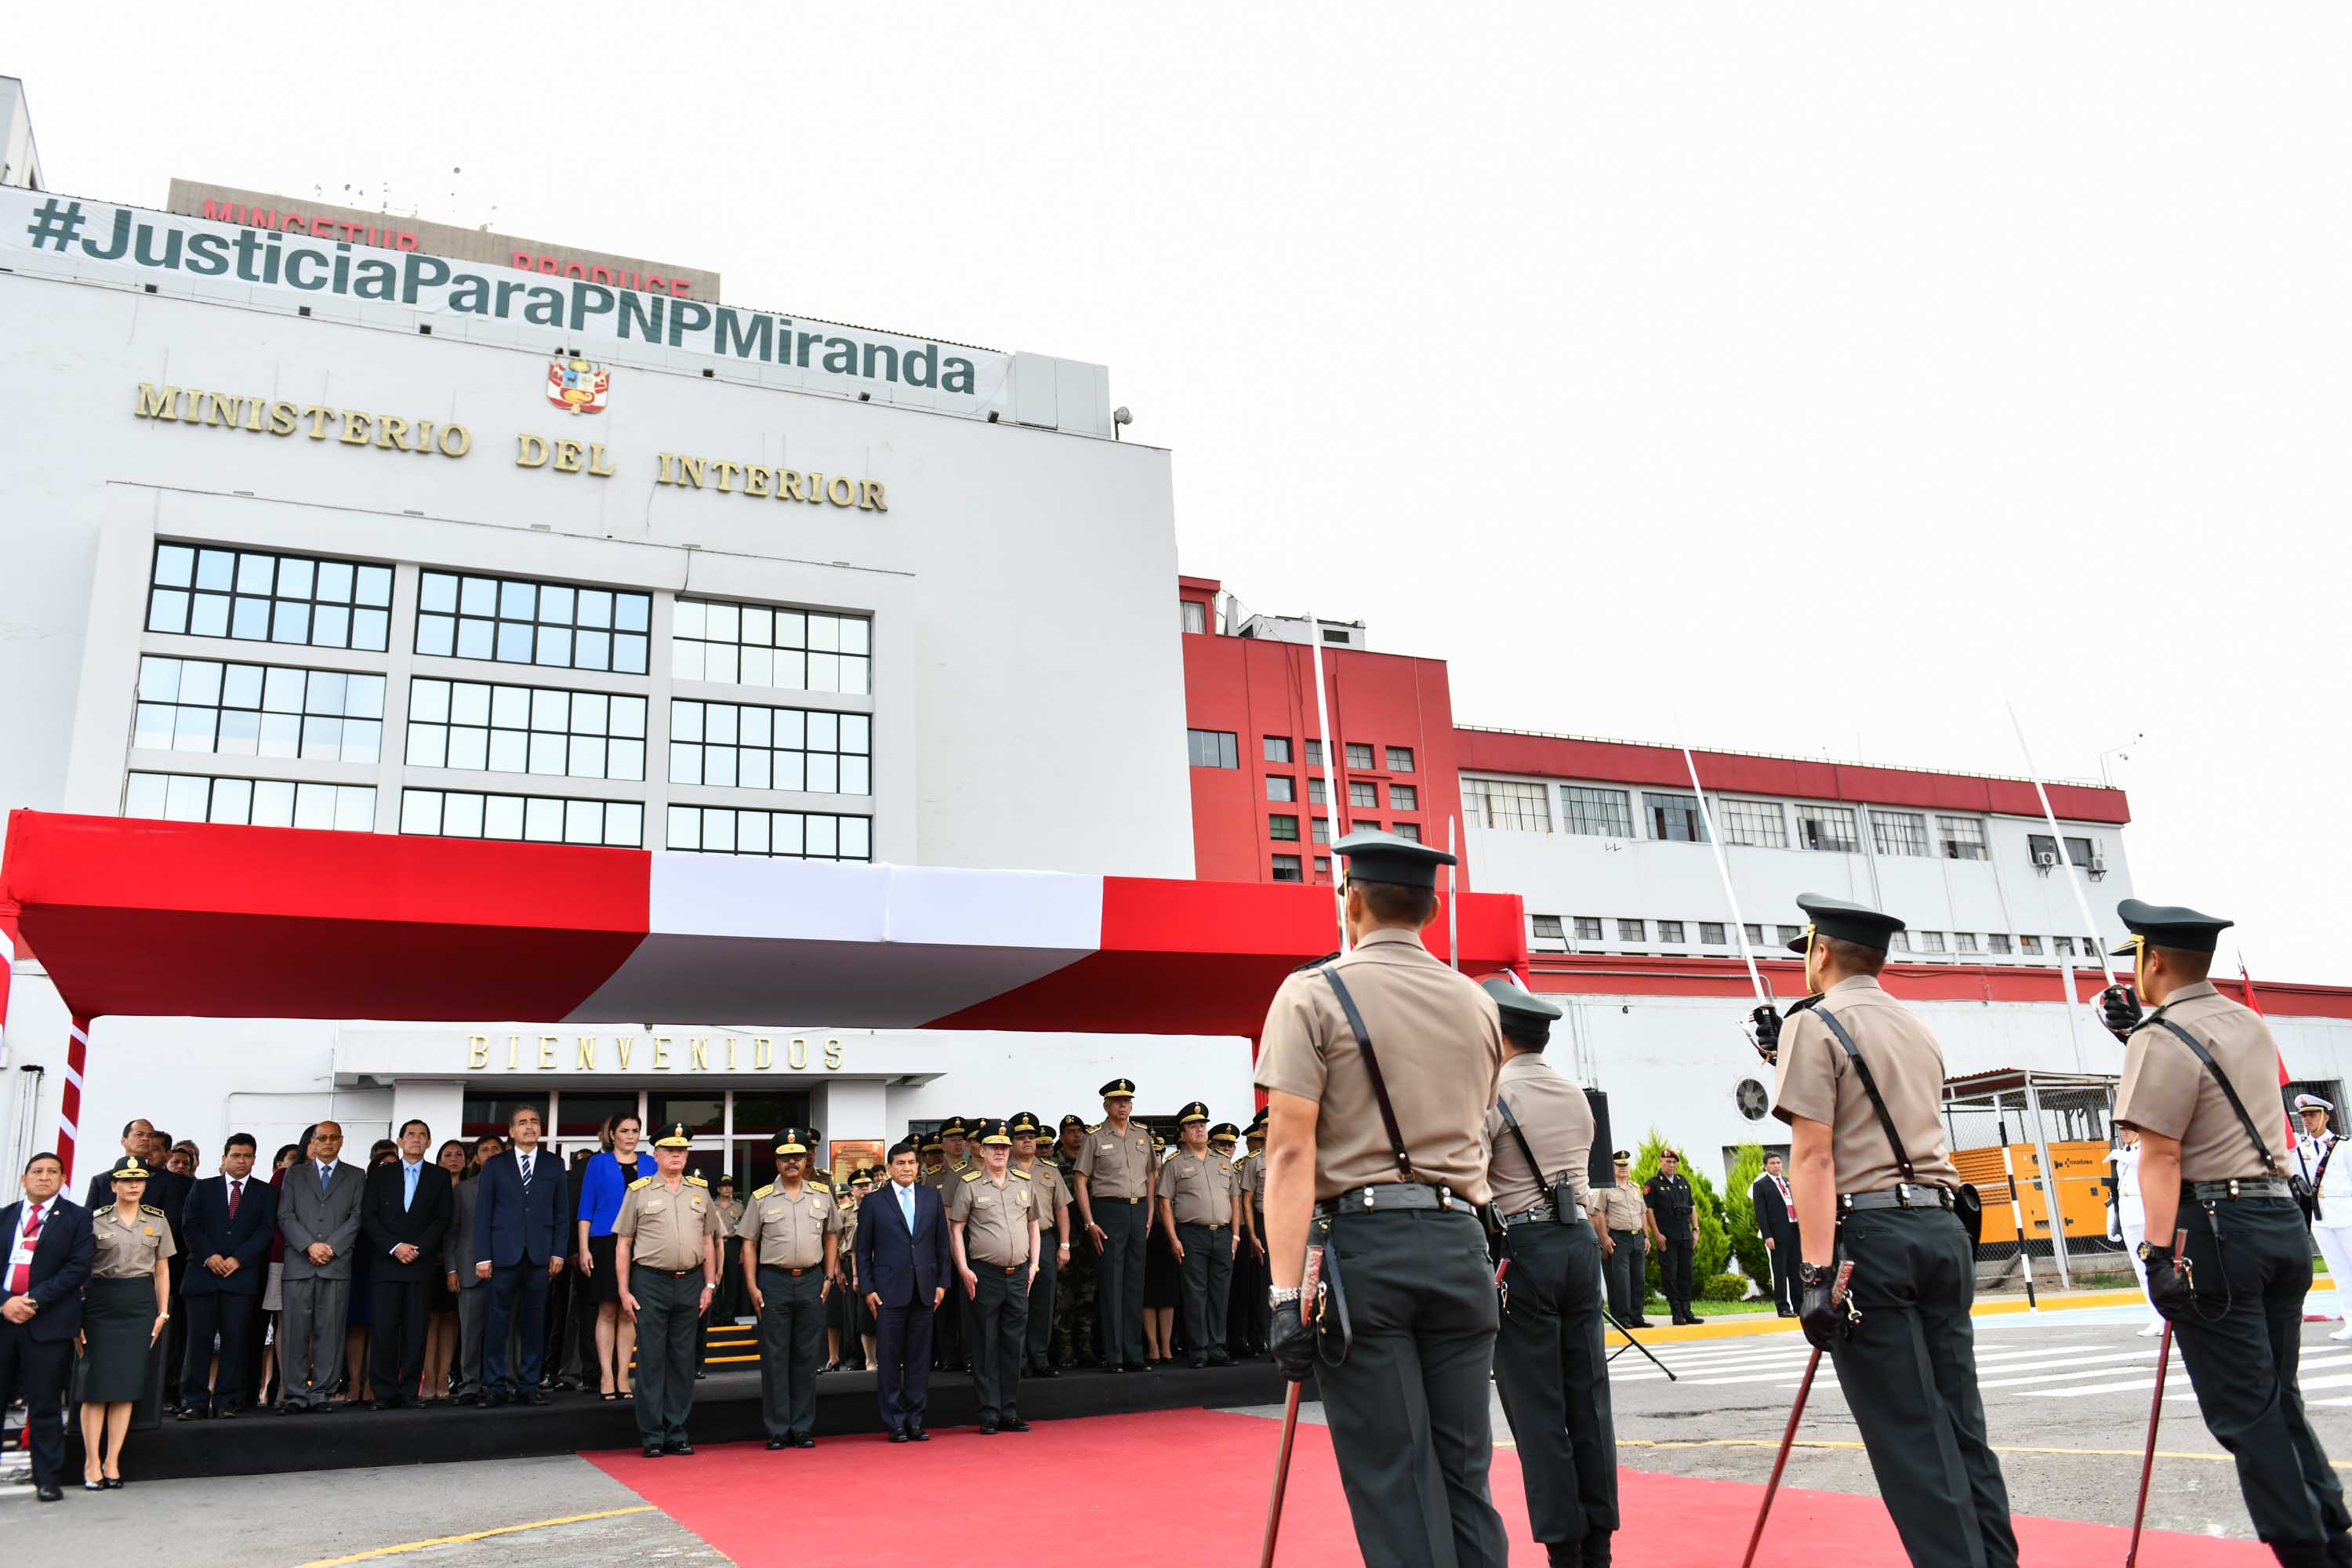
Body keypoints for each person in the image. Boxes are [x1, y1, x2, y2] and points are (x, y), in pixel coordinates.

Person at [1257, 829, 1511, 1568]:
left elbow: (1291, 1149)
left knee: (1396, 1478)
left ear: (1352, 901)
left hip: (1367, 1253)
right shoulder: (1478, 1004)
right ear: (1431, 911)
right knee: (1465, 1474)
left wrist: (1282, 1296)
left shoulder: (1312, 993)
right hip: (1462, 1245)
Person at [1761, 892, 2016, 1568]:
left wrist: (1815, 1277)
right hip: (1939, 1227)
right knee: (1962, 1425)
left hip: (1870, 1241)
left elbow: (1814, 1156)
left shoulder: (1812, 1026)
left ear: (1820, 953)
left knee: (1909, 1437)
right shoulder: (1916, 1027)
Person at [2102, 898, 2349, 1564]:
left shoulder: (2161, 1035)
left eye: (2137, 960)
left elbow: (2161, 1152)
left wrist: (2155, 1254)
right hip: (2275, 1220)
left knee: (2245, 1414)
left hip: (2214, 1228)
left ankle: (2307, 1555)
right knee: (2278, 1398)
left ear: (2152, 960)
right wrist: (2141, 1032)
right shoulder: (2246, 1023)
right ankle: (2333, 1537)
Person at [1483, 974, 1617, 1568]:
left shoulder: (1491, 1094)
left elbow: (1469, 1177)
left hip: (1526, 1248)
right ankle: (1600, 1543)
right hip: (1578, 1243)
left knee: (1537, 1407)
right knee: (1587, 1397)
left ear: (1497, 1033)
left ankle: (1564, 1548)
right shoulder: (1573, 1094)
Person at [615, 1122, 723, 1457]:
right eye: (669, 1150)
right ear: (656, 1155)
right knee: (651, 1359)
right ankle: (652, 1434)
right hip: (650, 1282)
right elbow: (623, 1244)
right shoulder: (639, 1191)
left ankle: (676, 1430)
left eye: (682, 1150)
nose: (677, 1155)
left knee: (681, 1359)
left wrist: (709, 1284)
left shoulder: (700, 1191)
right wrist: (623, 1290)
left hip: (690, 1282)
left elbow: (709, 1241)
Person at [740, 1126, 841, 1450]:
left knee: (805, 1356)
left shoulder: (822, 1194)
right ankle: (777, 1428)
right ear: (777, 1162)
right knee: (775, 1356)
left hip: (812, 1280)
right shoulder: (761, 1199)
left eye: (797, 1157)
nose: (792, 1162)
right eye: (786, 1157)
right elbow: (749, 1245)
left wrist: (827, 1277)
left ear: (806, 1160)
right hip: (774, 1281)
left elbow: (831, 1236)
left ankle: (802, 1427)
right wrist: (753, 1286)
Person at [78, 1153, 174, 1490]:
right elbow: (80, 1272)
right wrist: (77, 1316)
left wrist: (162, 1312)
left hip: (139, 1305)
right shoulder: (94, 1220)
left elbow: (161, 1269)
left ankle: (112, 1462)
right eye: (127, 1180)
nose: (134, 1185)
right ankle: (91, 1463)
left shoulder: (158, 1220)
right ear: (113, 1184)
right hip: (101, 1304)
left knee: (125, 1388)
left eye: (140, 1180)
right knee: (96, 1388)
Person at [2, 1152, 93, 1502]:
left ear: (62, 1179)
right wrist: (6, 1302)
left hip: (48, 1321)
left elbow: (77, 1268)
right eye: (37, 1172)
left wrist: (32, 1300)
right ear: (24, 1179)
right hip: (4, 1319)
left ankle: (47, 1478)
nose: (44, 1177)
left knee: (44, 1403)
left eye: (52, 1172)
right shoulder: (5, 1217)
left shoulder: (78, 1218)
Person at [946, 1118, 1038, 1432]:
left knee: (1014, 1343)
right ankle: (988, 1412)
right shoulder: (969, 1184)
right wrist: (963, 1268)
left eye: (1004, 1147)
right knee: (985, 1343)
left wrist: (1035, 1265)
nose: (1000, 1152)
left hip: (1019, 1273)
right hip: (985, 1274)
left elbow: (1033, 1226)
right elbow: (956, 1229)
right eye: (994, 1147)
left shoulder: (1023, 1182)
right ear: (982, 1151)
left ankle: (1009, 1411)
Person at [176, 1132, 276, 1419]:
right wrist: (211, 1257)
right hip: (203, 1276)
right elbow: (190, 1226)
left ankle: (226, 1401)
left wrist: (238, 1259)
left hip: (241, 1278)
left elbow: (266, 1230)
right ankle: (193, 1401)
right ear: (224, 1158)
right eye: (235, 1155)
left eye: (247, 1156)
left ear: (254, 1160)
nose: (241, 1161)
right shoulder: (203, 1188)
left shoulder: (265, 1192)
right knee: (198, 1341)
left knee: (235, 1341)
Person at [474, 1105, 568, 1406]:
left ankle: (529, 1385)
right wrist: (483, 1256)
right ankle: (494, 1386)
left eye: (534, 1122)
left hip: (540, 1257)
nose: (530, 1127)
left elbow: (562, 1213)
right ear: (511, 1132)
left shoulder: (554, 1165)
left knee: (534, 1323)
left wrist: (559, 1252)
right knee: (497, 1323)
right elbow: (483, 1213)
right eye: (522, 1123)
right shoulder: (496, 1165)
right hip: (502, 1257)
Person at [859, 1138, 950, 1441]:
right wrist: (868, 1289)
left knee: (919, 1359)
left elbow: (941, 1244)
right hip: (887, 1291)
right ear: (889, 1168)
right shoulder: (874, 1201)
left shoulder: (930, 1198)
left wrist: (941, 1283)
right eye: (900, 1163)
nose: (907, 1168)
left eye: (912, 1162)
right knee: (888, 1358)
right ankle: (895, 1420)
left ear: (918, 1165)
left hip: (924, 1289)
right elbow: (862, 1251)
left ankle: (915, 1418)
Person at [361, 1119, 452, 1409]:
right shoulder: (381, 1176)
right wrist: (394, 1247)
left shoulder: (439, 1177)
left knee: (415, 1331)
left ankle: (409, 1390)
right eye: (410, 1135)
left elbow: (443, 1218)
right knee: (385, 1330)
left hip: (420, 1264)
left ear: (429, 1143)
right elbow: (369, 1216)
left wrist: (419, 1248)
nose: (416, 1139)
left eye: (422, 1135)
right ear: (399, 1142)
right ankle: (383, 1392)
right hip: (387, 1264)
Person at [278, 1121, 364, 1414]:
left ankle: (323, 1393)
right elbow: (286, 1215)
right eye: (321, 1138)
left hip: (335, 1264)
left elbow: (356, 1217)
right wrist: (309, 1246)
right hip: (300, 1264)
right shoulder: (294, 1174)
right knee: (294, 1332)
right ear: (312, 1143)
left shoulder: (356, 1175)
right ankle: (295, 1393)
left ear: (341, 1141)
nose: (327, 1143)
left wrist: (332, 1247)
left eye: (333, 1138)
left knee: (331, 1331)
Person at [1074, 1078, 1155, 1373]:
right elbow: (1081, 1180)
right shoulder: (1094, 1137)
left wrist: (1150, 1211)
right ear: (1106, 1105)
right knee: (1112, 1284)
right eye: (1117, 1101)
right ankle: (1114, 1354)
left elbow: (1150, 1176)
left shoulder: (1143, 1136)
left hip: (1138, 1210)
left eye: (1127, 1101)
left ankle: (1134, 1354)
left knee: (1135, 1283)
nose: (1123, 1105)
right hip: (1109, 1210)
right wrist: (1089, 1221)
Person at [1158, 1101, 1241, 1369]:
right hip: (1191, 1234)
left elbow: (1235, 1200)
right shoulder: (1175, 1163)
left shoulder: (1223, 1162)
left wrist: (1236, 1236)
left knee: (1221, 1292)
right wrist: (1173, 1238)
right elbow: (1164, 1203)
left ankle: (1218, 1347)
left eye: (1202, 1125)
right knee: (1195, 1293)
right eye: (1193, 1126)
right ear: (1182, 1134)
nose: (1200, 1130)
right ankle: (1200, 1349)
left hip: (1223, 1234)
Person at [574, 1113, 650, 1401]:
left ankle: (622, 1376)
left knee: (628, 1311)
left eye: (635, 1131)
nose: (630, 1136)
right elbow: (585, 1209)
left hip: (641, 1243)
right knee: (607, 1309)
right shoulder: (598, 1163)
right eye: (624, 1131)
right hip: (605, 1241)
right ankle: (605, 1374)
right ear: (612, 1134)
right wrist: (583, 1249)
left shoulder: (650, 1163)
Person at [1009, 1113, 1071, 1377]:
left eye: (1031, 1137)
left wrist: (1065, 1244)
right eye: (1021, 1137)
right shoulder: (1003, 1169)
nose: (1027, 1141)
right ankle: (1018, 1359)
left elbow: (1062, 1210)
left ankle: (1040, 1357)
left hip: (1046, 1241)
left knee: (1044, 1303)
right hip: (1015, 1242)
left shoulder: (1050, 1169)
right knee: (1016, 1303)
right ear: (1011, 1142)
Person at [445, 1134, 503, 1405]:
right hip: (468, 1269)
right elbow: (453, 1233)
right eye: (485, 1150)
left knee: (504, 1330)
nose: (490, 1153)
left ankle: (500, 1383)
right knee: (470, 1331)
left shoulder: (515, 1187)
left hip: (507, 1269)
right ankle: (470, 1384)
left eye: (496, 1149)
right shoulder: (463, 1190)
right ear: (476, 1158)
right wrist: (451, 1269)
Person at [2292, 1095, 2352, 1344]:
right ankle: (2351, 1321)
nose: (2308, 1120)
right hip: (2321, 1219)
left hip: (2347, 1215)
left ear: (2326, 1116)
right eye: (2304, 1116)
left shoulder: (2344, 1146)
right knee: (2341, 1275)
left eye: (2313, 1115)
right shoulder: (2301, 1149)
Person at [1050, 1113, 1101, 1368]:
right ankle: (1065, 1351)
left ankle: (1087, 1348)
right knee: (1064, 1298)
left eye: (1080, 1130)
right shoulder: (1052, 1166)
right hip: (1066, 1240)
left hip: (1091, 1241)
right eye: (1071, 1131)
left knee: (1088, 1297)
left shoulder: (1094, 1164)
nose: (1077, 1135)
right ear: (1062, 1137)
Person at [2107, 1130, 2166, 1338]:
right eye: (2121, 1129)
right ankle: (2157, 1318)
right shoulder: (2123, 1153)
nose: (2125, 1133)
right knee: (2142, 1272)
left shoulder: (2146, 1150)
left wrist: (2118, 1155)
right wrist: (2113, 1218)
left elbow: (2141, 1161)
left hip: (2146, 1214)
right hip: (2129, 1216)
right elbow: (2118, 1189)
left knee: (2158, 1267)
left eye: (2129, 1128)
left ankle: (2168, 1317)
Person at [421, 1140, 467, 1402]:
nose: (453, 1159)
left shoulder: (472, 1187)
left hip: (461, 1263)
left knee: (451, 1319)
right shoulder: (432, 1188)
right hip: (431, 1260)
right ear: (439, 1160)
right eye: (447, 1155)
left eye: (459, 1154)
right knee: (431, 1320)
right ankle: (429, 1378)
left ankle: (444, 1378)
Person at [257, 1141, 301, 1410]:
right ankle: (281, 1386)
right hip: (281, 1257)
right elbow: (273, 1219)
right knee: (282, 1324)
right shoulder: (282, 1177)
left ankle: (302, 1384)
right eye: (292, 1158)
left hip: (316, 1259)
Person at [1588, 1155, 1648, 1327]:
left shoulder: (1635, 1188)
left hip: (1637, 1236)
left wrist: (1646, 1236)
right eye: (1619, 1165)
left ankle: (1637, 1316)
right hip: (1618, 1237)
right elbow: (1597, 1213)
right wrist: (1604, 1238)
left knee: (1638, 1278)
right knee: (1621, 1280)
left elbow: (1642, 1213)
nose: (1623, 1168)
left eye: (1625, 1165)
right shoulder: (1605, 1189)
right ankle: (1622, 1318)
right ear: (1613, 1168)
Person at [1643, 1150, 1697, 1327]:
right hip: (1667, 1237)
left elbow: (1692, 1207)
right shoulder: (1653, 1184)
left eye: (1674, 1162)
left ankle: (1687, 1310)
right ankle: (1676, 1312)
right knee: (1670, 1275)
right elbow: (1649, 1211)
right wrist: (1656, 1234)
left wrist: (1695, 1230)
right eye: (1668, 1161)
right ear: (1661, 1163)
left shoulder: (1683, 1182)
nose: (1672, 1165)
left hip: (1684, 1235)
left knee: (1686, 1273)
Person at [1750, 1152, 1799, 1319]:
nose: (1777, 1166)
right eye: (1772, 1163)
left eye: (1779, 1163)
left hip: (1794, 1230)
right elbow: (1761, 1213)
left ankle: (1799, 1305)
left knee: (1795, 1271)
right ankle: (1783, 1307)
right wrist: (1767, 1235)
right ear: (1765, 1166)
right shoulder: (1761, 1185)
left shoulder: (1787, 1181)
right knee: (1780, 1271)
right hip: (1777, 1234)